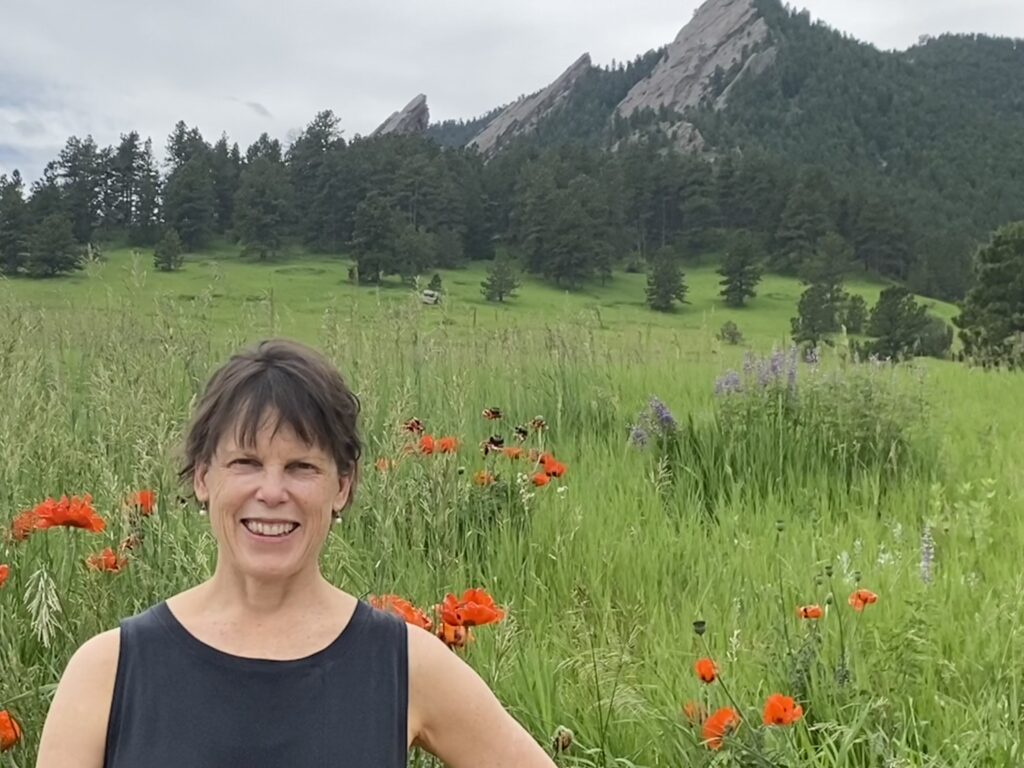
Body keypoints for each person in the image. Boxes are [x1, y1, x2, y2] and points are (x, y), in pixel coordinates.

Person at [35, 339, 557, 767]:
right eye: (244, 462)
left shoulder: (403, 664)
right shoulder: (109, 671)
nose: (271, 491)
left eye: (301, 467)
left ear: (343, 487)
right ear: (202, 478)